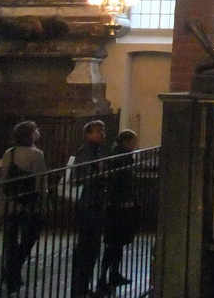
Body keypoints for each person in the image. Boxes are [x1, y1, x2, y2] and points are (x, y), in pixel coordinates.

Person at [0, 121, 47, 295]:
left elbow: (4, 180)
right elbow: (40, 181)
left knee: (11, 242)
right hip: (29, 204)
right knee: (29, 238)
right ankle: (13, 271)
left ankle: (12, 274)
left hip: (11, 203)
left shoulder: (9, 153)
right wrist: (43, 204)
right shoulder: (36, 154)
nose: (38, 131)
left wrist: (3, 203)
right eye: (36, 129)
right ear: (30, 134)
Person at [98, 130, 140, 294]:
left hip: (121, 204)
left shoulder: (122, 155)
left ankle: (113, 274)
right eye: (133, 142)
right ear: (126, 141)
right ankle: (104, 278)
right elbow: (118, 181)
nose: (135, 145)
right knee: (113, 244)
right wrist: (122, 200)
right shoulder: (119, 157)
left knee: (117, 243)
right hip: (118, 206)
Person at [70, 120, 108, 298]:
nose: (102, 133)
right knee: (86, 247)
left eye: (102, 130)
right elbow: (88, 175)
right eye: (98, 130)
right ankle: (79, 288)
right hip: (88, 203)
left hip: (95, 202)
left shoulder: (97, 150)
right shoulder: (86, 151)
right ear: (88, 134)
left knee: (92, 248)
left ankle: (83, 287)